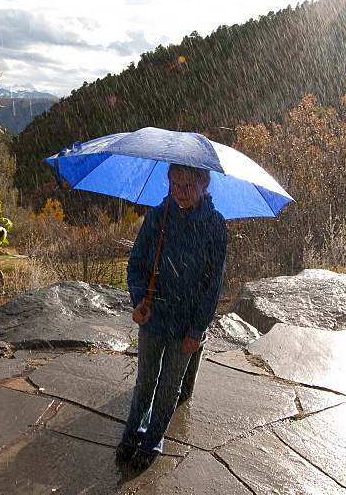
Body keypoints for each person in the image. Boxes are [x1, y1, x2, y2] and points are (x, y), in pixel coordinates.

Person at [116, 163, 227, 471]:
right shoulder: (157, 217)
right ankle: (132, 434)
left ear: (204, 185)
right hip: (154, 317)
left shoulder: (215, 225)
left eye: (188, 186)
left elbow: (213, 285)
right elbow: (136, 263)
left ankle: (153, 440)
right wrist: (139, 299)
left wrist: (196, 330)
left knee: (169, 387)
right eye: (175, 185)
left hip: (185, 324)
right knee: (146, 380)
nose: (180, 192)